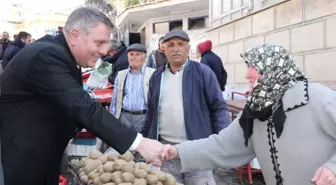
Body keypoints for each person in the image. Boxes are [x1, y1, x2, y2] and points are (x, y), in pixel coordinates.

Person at [0, 7, 163, 185]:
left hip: (42, 153)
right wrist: (139, 143)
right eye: (99, 42)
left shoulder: (62, 55)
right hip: (25, 157)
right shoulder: (45, 55)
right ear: (75, 35)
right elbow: (81, 105)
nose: (104, 51)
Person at [161, 44, 336, 185]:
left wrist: (333, 168)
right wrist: (176, 151)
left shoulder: (318, 98)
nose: (247, 74)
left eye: (254, 67)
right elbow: (223, 146)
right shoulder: (255, 110)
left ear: (275, 68)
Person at [142, 30, 230, 185]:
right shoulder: (156, 76)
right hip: (166, 151)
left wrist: (222, 141)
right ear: (164, 49)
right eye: (170, 45)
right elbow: (151, 112)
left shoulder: (203, 72)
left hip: (197, 150)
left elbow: (218, 108)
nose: (176, 49)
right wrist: (144, 141)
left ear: (188, 49)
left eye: (180, 44)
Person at [110, 43, 155, 132]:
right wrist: (113, 119)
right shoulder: (121, 75)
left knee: (143, 143)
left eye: (137, 55)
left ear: (144, 58)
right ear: (128, 57)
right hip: (124, 117)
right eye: (131, 54)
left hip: (144, 117)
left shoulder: (153, 74)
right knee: (124, 144)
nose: (134, 57)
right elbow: (115, 99)